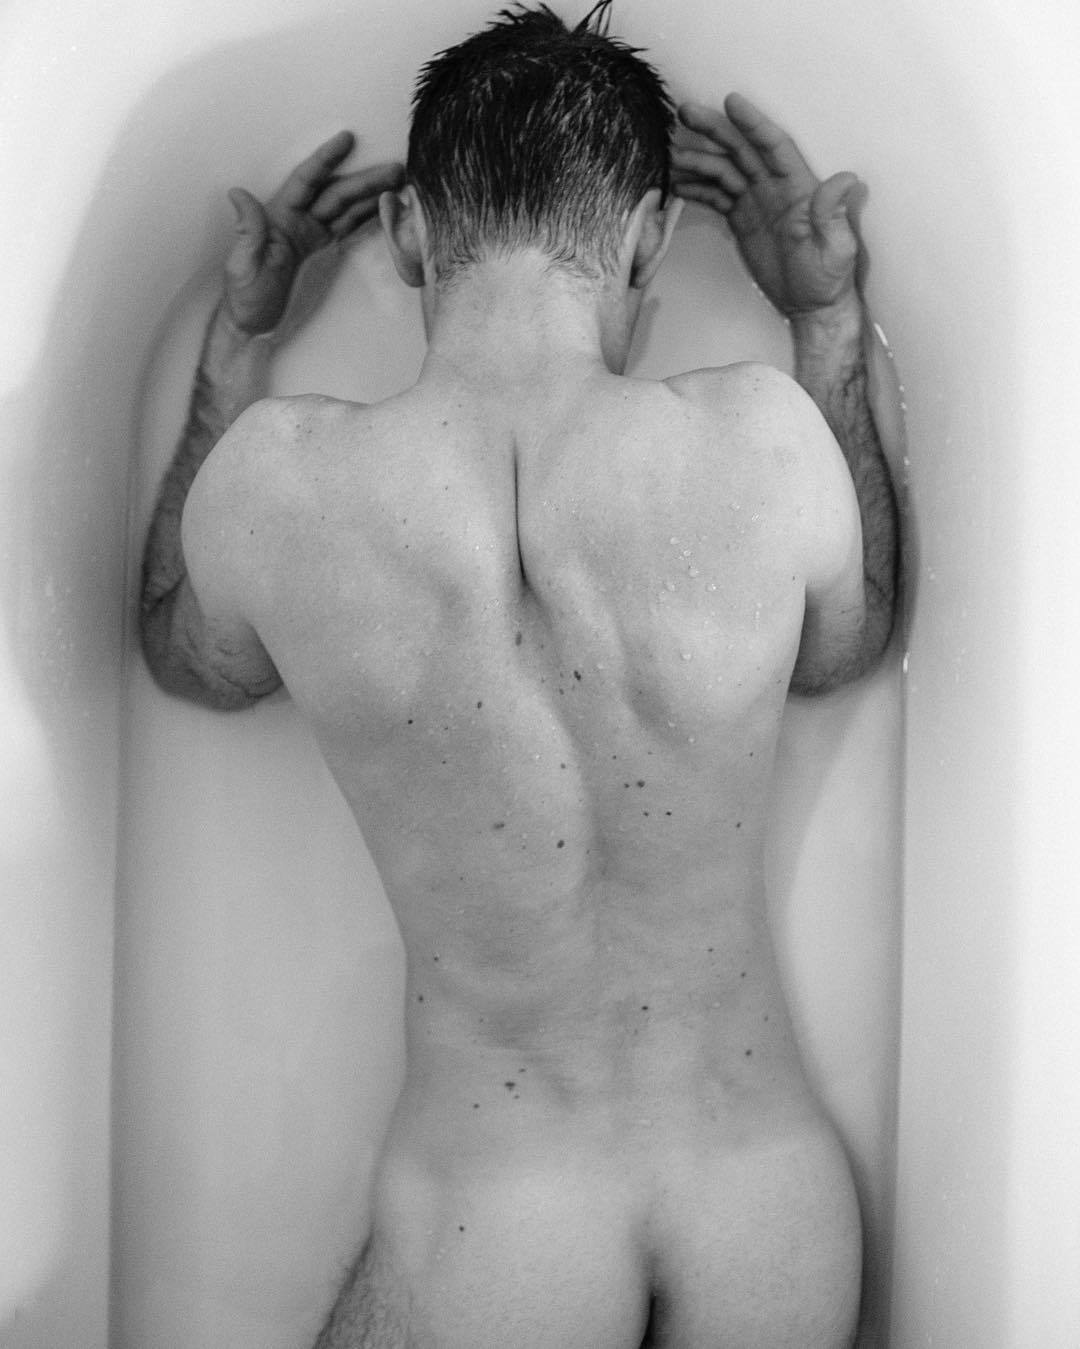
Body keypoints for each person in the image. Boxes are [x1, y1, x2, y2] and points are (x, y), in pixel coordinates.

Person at [140, 2, 900, 1344]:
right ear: (650, 238)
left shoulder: (277, 485)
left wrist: (234, 348)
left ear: (406, 233)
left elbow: (189, 662)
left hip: (497, 1217)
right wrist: (827, 318)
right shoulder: (767, 444)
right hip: (766, 1195)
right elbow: (850, 646)